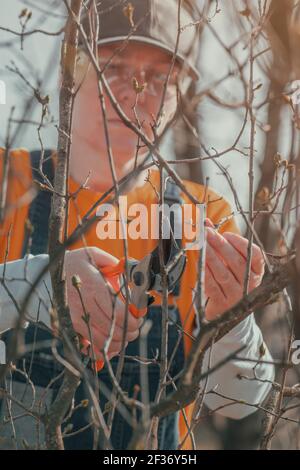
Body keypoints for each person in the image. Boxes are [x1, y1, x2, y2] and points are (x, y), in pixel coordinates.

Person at [0, 0, 274, 450]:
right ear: (71, 76)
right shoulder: (10, 184)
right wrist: (41, 285)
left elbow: (238, 403)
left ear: (180, 90)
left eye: (160, 76)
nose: (136, 90)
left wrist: (233, 323)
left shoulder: (203, 216)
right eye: (113, 65)